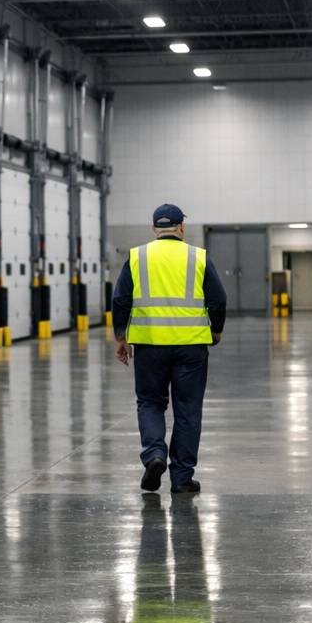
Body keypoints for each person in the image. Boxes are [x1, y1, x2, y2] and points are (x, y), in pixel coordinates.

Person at [110, 204, 227, 493]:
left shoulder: (137, 257)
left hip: (150, 346)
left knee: (150, 403)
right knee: (188, 411)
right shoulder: (198, 257)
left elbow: (120, 299)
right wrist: (216, 330)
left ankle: (154, 455)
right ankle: (182, 478)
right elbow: (219, 299)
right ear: (181, 228)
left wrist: (120, 336)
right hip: (192, 347)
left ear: (154, 228)